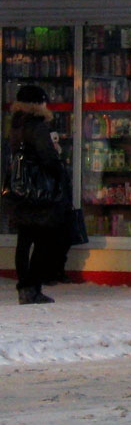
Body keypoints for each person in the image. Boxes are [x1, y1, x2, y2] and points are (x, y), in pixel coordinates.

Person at [4, 85, 70, 304]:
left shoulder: (15, 125)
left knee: (23, 241)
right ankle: (33, 287)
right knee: (43, 240)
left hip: (20, 190)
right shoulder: (38, 126)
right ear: (38, 103)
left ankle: (23, 287)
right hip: (39, 191)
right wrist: (59, 167)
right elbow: (48, 158)